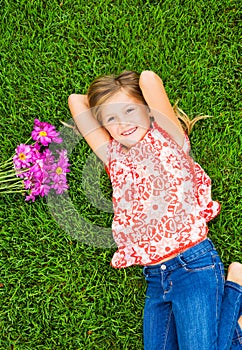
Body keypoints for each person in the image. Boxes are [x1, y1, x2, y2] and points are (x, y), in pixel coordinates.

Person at [68, 70, 242, 349]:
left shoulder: (169, 139)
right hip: (155, 277)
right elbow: (76, 102)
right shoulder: (113, 158)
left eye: (129, 110)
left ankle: (235, 291)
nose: (122, 123)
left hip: (193, 265)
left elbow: (149, 78)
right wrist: (107, 104)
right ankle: (235, 314)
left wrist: (124, 89)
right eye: (110, 119)